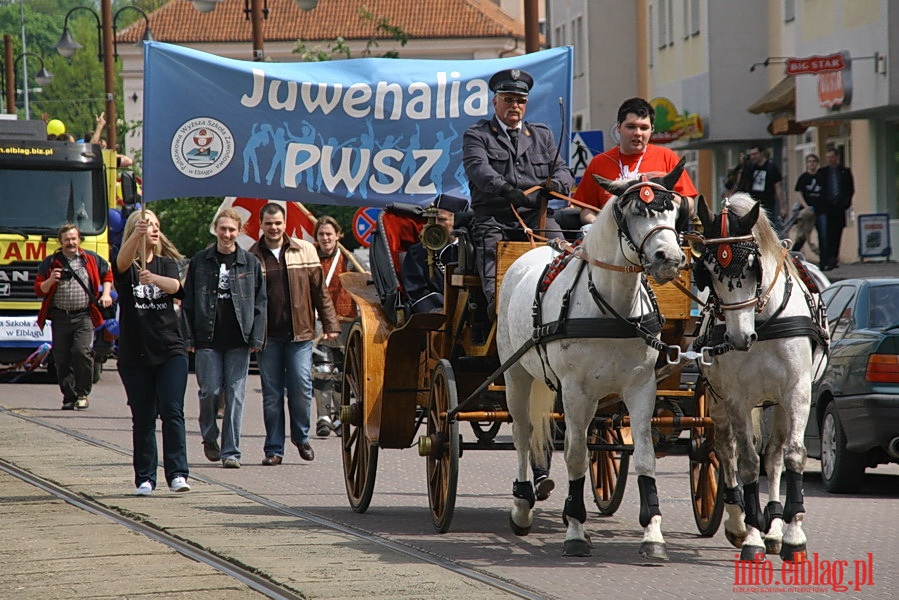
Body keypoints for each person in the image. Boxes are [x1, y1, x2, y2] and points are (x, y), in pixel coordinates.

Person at [463, 68, 574, 314]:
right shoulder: (477, 135)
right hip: (495, 220)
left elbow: (564, 170)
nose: (515, 105)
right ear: (495, 102)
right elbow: (478, 170)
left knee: (567, 257)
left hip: (539, 218)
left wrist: (555, 185)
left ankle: (566, 310)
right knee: (495, 268)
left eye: (521, 100)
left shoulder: (541, 135)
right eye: (508, 99)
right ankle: (499, 315)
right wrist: (505, 189)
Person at [247, 204, 339, 464]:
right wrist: (249, 335)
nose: (273, 228)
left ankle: (301, 436)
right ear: (261, 225)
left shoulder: (305, 249)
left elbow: (320, 291)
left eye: (278, 223)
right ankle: (274, 449)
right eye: (268, 224)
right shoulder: (252, 256)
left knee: (300, 386)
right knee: (272, 395)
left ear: (285, 223)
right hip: (267, 337)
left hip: (301, 334)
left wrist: (331, 324)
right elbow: (246, 300)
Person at [114, 210, 191, 495]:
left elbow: (176, 288)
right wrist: (137, 233)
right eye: (150, 226)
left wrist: (155, 279)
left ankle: (178, 474)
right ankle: (145, 478)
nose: (155, 231)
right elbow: (121, 263)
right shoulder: (126, 267)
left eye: (158, 226)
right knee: (143, 417)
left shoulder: (166, 264)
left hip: (170, 349)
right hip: (136, 354)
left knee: (172, 410)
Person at [183, 208, 266, 469]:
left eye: (232, 230)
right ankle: (209, 437)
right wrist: (189, 337)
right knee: (209, 391)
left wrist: (257, 337)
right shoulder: (200, 261)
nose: (227, 234)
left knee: (236, 394)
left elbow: (261, 303)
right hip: (207, 337)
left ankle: (231, 452)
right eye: (223, 229)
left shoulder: (250, 263)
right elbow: (188, 302)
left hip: (239, 339)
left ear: (239, 232)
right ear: (215, 230)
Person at [574, 97, 698, 225]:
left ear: (652, 130)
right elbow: (585, 210)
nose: (637, 133)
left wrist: (663, 195)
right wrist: (596, 224)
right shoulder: (599, 163)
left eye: (644, 128)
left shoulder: (668, 157)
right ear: (618, 128)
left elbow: (689, 205)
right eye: (631, 127)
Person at [35, 224, 113, 410]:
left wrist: (106, 294)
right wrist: (51, 280)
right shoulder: (51, 262)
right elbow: (39, 289)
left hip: (84, 315)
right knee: (61, 359)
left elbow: (108, 273)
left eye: (73, 239)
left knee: (81, 351)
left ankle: (83, 393)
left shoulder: (90, 259)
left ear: (79, 240)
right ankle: (69, 397)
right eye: (67, 240)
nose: (71, 243)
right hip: (60, 316)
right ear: (60, 242)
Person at [312, 215, 358, 437]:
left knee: (341, 371)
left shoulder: (349, 259)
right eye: (321, 234)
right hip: (319, 321)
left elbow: (363, 285)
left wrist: (365, 276)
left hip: (345, 321)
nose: (325, 238)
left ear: (338, 235)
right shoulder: (310, 256)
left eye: (329, 234)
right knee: (321, 370)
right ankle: (323, 417)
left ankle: (341, 416)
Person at [401, 204, 459, 314]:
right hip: (435, 317)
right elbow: (417, 292)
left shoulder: (470, 250)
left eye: (441, 219)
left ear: (456, 222)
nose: (435, 224)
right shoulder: (417, 253)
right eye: (432, 219)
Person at [815, 148, 855, 271]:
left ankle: (833, 258)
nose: (830, 160)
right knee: (825, 234)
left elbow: (850, 189)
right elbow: (819, 189)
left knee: (837, 233)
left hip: (839, 207)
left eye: (832, 157)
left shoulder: (844, 171)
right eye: (828, 157)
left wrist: (846, 203)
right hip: (826, 208)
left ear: (837, 157)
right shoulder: (822, 172)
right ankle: (825, 259)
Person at [736, 144, 785, 233]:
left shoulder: (771, 167)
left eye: (755, 154)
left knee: (769, 228)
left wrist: (782, 206)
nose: (753, 157)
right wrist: (743, 165)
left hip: (767, 203)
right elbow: (740, 183)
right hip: (752, 203)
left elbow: (778, 187)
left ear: (762, 153)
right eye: (751, 155)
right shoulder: (750, 167)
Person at [791, 154, 823, 255]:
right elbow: (798, 193)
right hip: (806, 211)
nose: (812, 164)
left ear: (817, 163)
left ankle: (822, 256)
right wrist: (805, 206)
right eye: (809, 161)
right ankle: (793, 254)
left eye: (814, 161)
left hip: (819, 209)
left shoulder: (821, 176)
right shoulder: (803, 177)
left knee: (822, 233)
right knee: (802, 235)